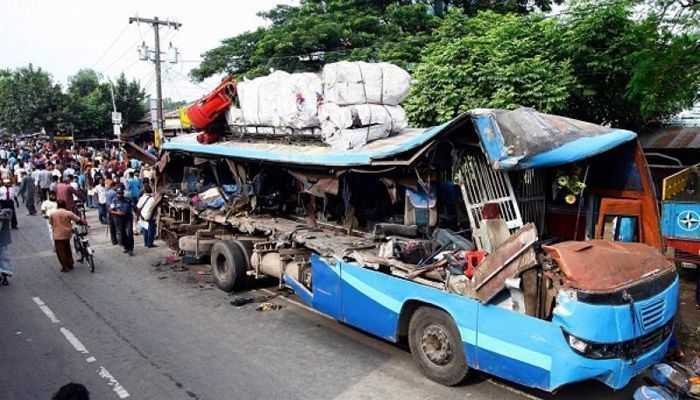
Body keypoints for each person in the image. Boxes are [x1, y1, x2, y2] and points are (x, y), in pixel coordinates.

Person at [49, 200, 82, 272]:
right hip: (67, 234)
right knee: (67, 248)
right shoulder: (68, 213)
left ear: (57, 206)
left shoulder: (53, 214)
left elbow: (51, 223)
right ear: (65, 205)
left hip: (57, 235)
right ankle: (70, 263)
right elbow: (78, 219)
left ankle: (65, 266)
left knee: (61, 251)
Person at [110, 187, 134, 256]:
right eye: (118, 193)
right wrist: (118, 213)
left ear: (123, 193)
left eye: (120, 193)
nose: (119, 195)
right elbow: (111, 210)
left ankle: (130, 249)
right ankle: (126, 247)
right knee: (122, 233)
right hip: (119, 219)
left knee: (129, 233)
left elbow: (134, 207)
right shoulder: (114, 201)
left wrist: (138, 215)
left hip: (128, 218)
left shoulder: (128, 200)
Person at [0, 207, 13, 285]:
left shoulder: (5, 213)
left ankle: (5, 277)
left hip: (3, 241)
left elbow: (9, 213)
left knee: (4, 259)